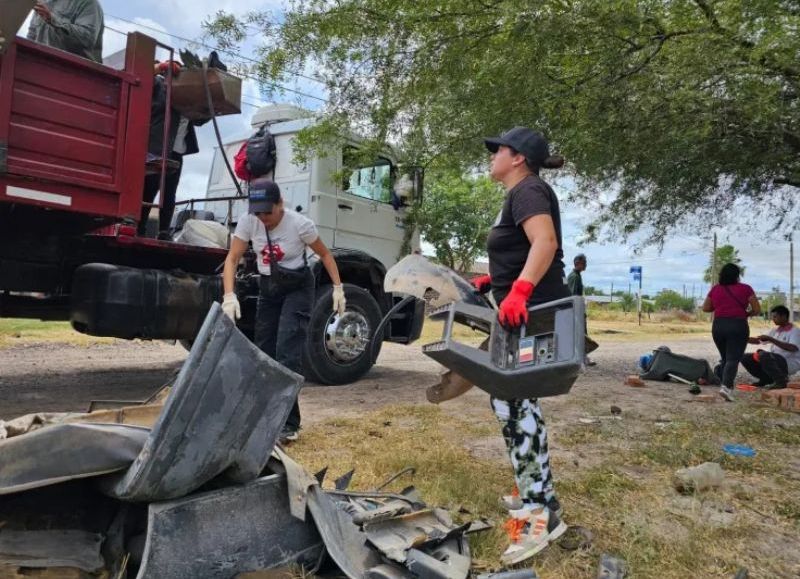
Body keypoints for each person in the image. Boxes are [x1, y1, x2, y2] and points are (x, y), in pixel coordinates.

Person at [471, 126, 569, 564]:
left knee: (512, 401)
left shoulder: (528, 189)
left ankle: (538, 516)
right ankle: (537, 494)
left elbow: (545, 243)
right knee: (512, 401)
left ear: (518, 158)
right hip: (524, 310)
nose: (492, 156)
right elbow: (524, 247)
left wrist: (520, 291)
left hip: (534, 313)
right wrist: (499, 280)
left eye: (499, 150)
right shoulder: (522, 192)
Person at [221, 182, 346, 441]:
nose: (263, 218)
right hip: (270, 287)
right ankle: (264, 417)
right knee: (262, 351)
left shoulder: (300, 225)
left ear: (281, 204)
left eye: (268, 212)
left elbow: (325, 255)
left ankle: (289, 424)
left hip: (298, 287)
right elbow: (232, 258)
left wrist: (338, 287)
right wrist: (229, 295)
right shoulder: (249, 222)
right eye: (258, 213)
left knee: (286, 352)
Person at [138, 62, 202, 238]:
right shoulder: (159, 85)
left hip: (177, 151)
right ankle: (139, 229)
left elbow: (201, 118)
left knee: (169, 193)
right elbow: (141, 76)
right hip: (156, 148)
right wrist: (160, 67)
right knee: (149, 189)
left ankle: (164, 232)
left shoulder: (189, 97)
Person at [702, 263, 761, 401]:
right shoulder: (746, 288)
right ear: (737, 275)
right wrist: (745, 314)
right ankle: (726, 387)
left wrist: (721, 307)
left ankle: (724, 384)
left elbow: (705, 308)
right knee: (733, 358)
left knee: (726, 357)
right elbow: (757, 309)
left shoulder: (715, 289)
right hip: (737, 325)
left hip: (718, 325)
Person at [741, 305, 800, 390]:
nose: (773, 319)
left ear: (783, 316)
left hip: (789, 362)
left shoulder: (795, 331)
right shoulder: (775, 330)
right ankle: (766, 379)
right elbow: (758, 340)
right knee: (745, 357)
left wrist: (771, 339)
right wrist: (741, 338)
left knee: (764, 355)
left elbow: (793, 348)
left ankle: (781, 381)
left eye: (775, 317)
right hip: (774, 359)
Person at [27, 0, 104, 63]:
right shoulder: (43, 2)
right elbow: (31, 38)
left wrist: (52, 19)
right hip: (40, 66)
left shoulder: (88, 3)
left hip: (75, 72)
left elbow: (86, 38)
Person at [567, 254, 596, 366]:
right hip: (576, 310)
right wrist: (577, 312)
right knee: (581, 334)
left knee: (580, 334)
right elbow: (574, 296)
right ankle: (583, 358)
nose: (586, 265)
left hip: (577, 310)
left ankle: (582, 357)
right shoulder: (574, 276)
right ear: (577, 263)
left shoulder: (577, 275)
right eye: (584, 262)